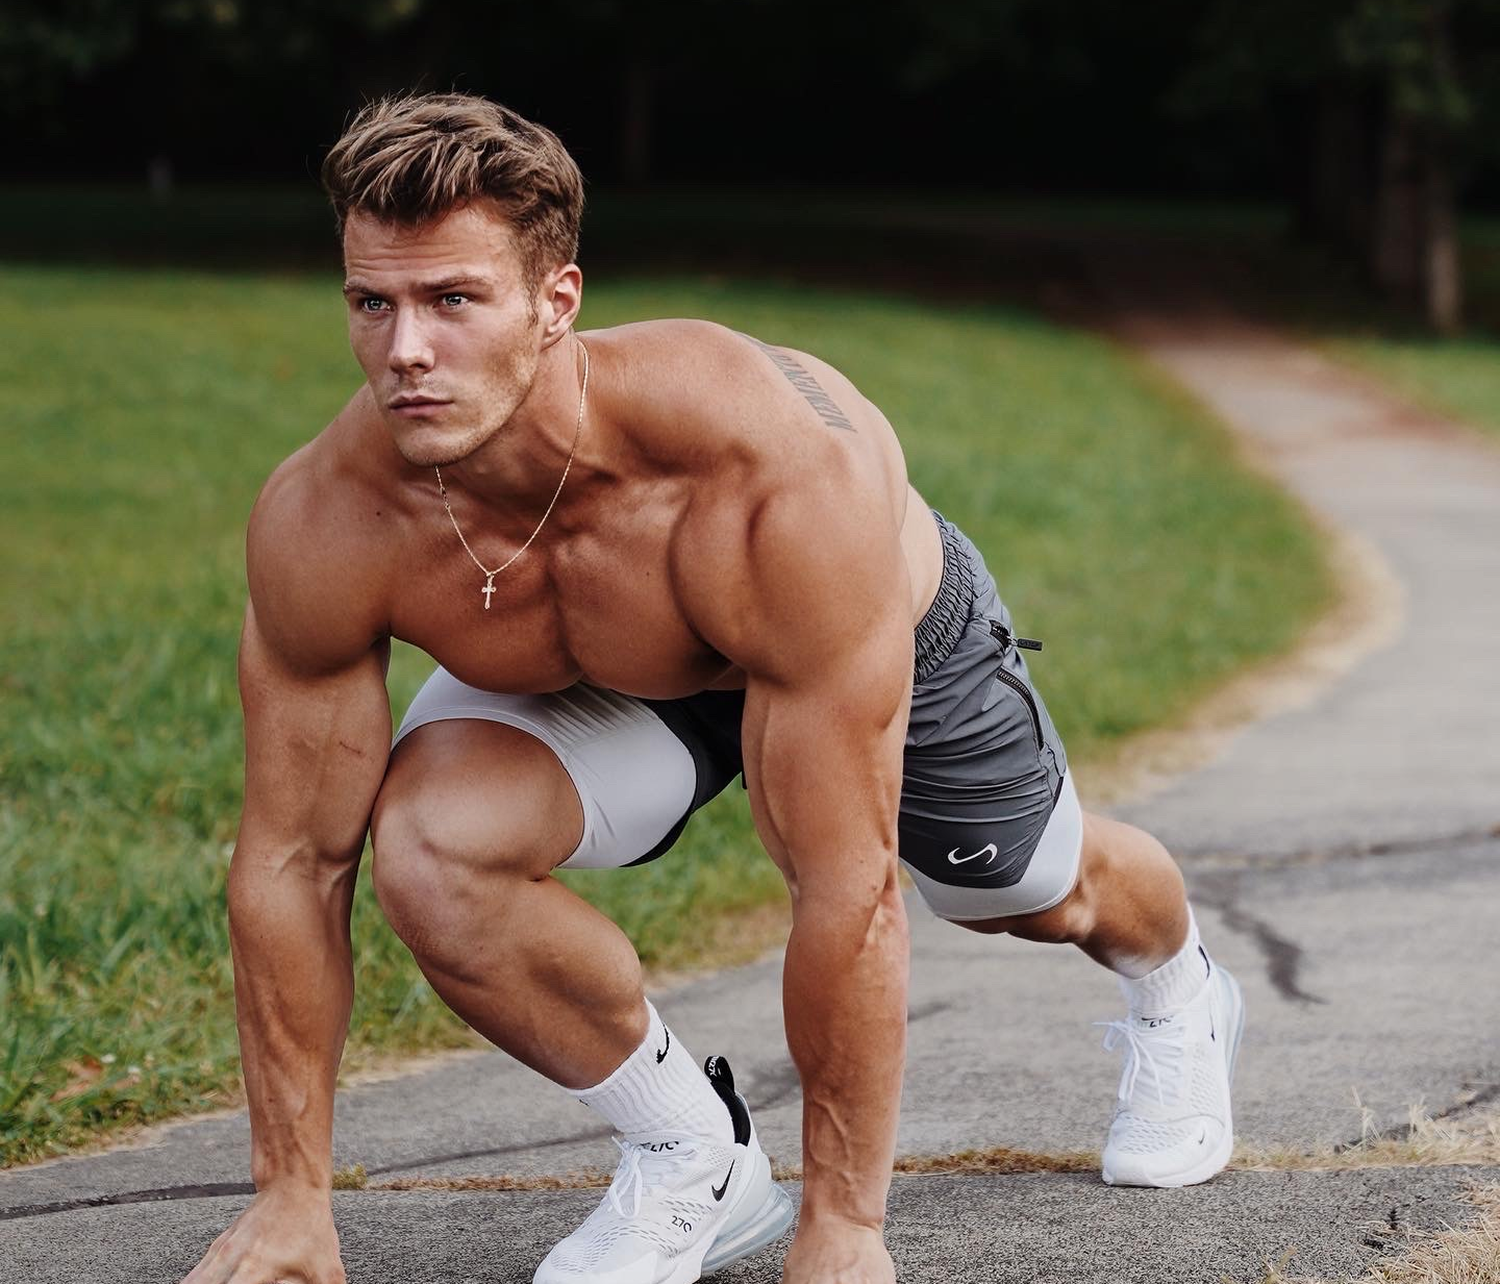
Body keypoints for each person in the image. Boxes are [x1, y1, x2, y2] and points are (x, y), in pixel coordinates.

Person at [182, 92, 1244, 1284]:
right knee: (429, 849)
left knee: (1023, 890)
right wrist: (290, 1198)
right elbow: (289, 861)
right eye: (372, 304)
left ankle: (1180, 987)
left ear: (556, 303)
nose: (405, 350)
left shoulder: (765, 470)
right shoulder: (328, 519)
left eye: (453, 301)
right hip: (613, 676)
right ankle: (696, 1152)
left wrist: (845, 1232)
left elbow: (845, 888)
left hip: (849, 616)